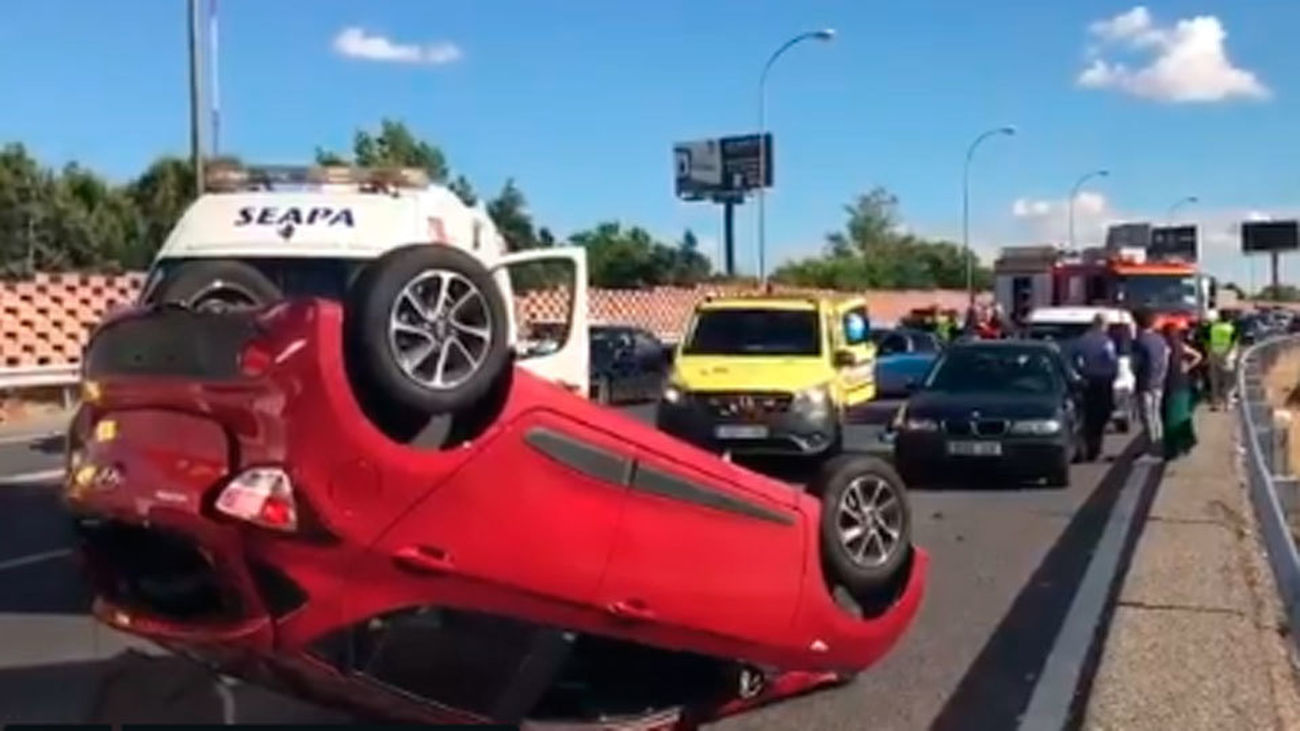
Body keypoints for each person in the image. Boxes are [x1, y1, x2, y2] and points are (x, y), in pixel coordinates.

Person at [1072, 313, 1119, 461]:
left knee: (1088, 416)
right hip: (1103, 381)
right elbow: (1112, 360)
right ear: (1103, 325)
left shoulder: (1083, 340)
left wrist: (1080, 371)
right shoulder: (1106, 342)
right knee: (1101, 415)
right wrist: (1114, 373)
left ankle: (1087, 446)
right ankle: (1095, 449)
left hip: (1088, 380)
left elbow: (1074, 358)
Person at [1131, 307, 1169, 458]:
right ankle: (1157, 445)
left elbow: (1136, 363)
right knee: (1156, 415)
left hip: (1145, 382)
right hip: (1158, 381)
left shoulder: (1140, 341)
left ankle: (1151, 447)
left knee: (1147, 416)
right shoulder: (1159, 339)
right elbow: (1165, 359)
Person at [1162, 323, 1203, 459]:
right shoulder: (1181, 346)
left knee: (1170, 418)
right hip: (1183, 384)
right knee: (1183, 415)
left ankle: (1172, 449)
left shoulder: (1166, 348)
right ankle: (1186, 443)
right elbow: (1198, 356)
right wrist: (1188, 366)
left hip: (1170, 385)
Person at [1205, 311, 1236, 411]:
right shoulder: (1231, 329)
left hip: (1214, 356)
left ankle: (1215, 404)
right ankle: (1228, 403)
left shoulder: (1213, 328)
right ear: (1230, 318)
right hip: (1227, 357)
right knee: (1229, 381)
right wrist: (1226, 354)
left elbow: (1207, 343)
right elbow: (1233, 344)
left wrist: (1210, 353)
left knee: (1215, 381)